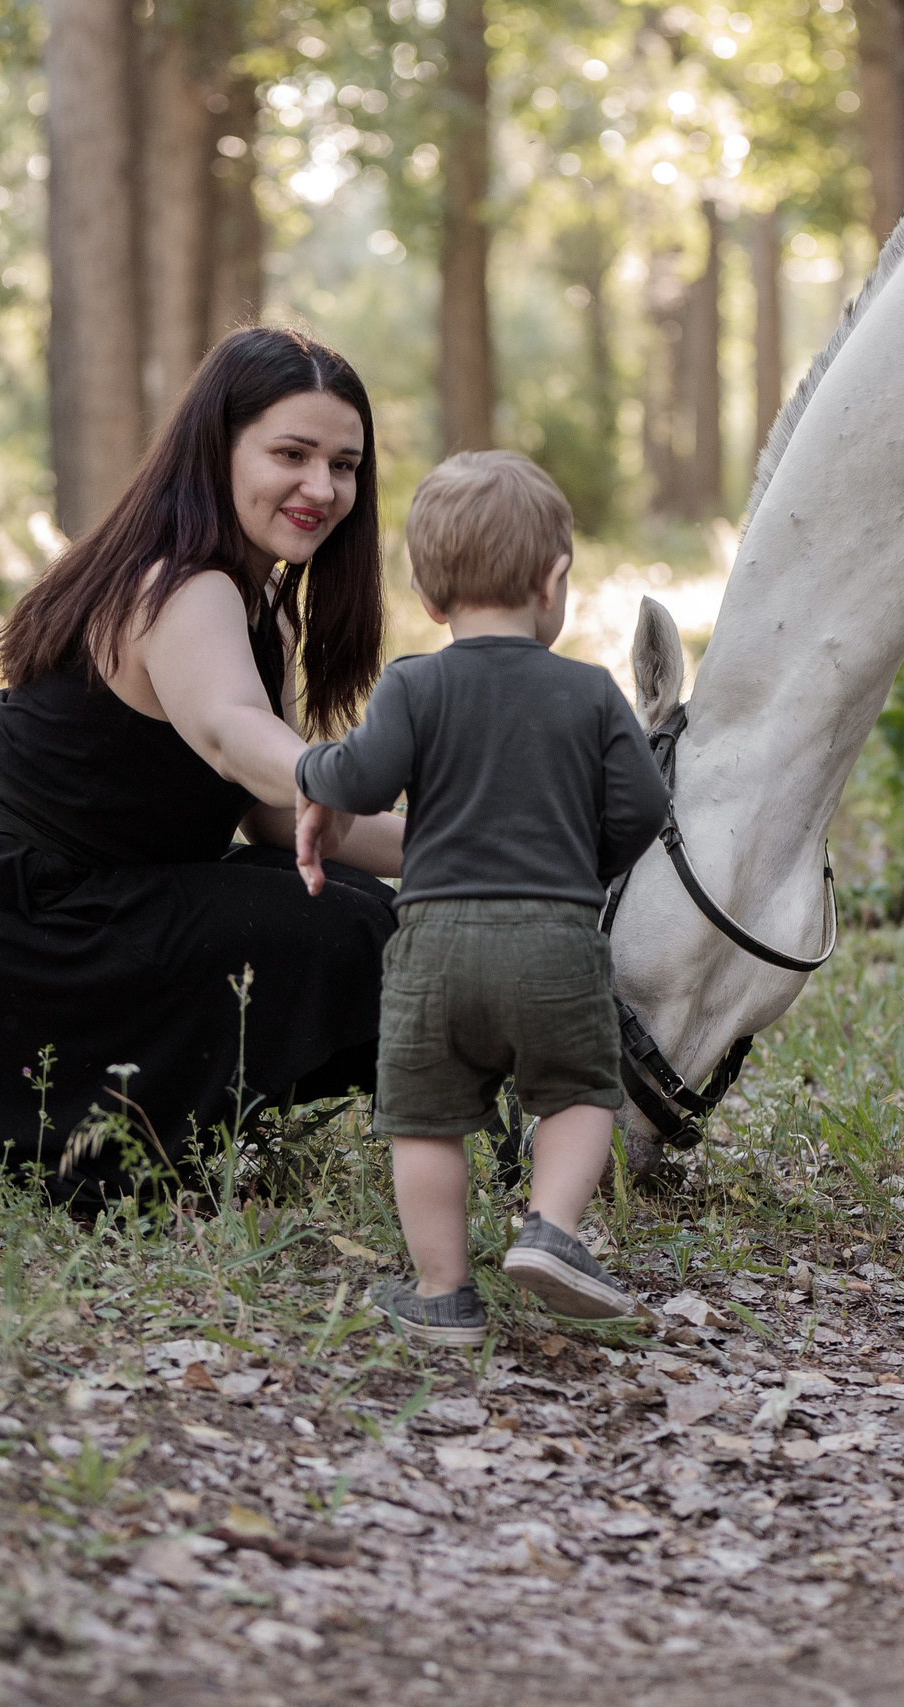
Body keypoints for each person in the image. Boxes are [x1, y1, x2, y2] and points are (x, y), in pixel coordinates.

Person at [0, 328, 405, 1200]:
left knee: (372, 905)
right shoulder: (182, 586)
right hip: (19, 924)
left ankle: (143, 1135)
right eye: (291, 454)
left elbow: (269, 815)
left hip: (65, 901)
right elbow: (229, 733)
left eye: (344, 464)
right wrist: (342, 773)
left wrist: (455, 847)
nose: (322, 488)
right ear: (217, 446)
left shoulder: (265, 615)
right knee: (355, 929)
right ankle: (84, 1143)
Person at [294, 451, 671, 1344]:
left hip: (434, 943)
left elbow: (359, 775)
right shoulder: (589, 692)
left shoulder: (414, 684)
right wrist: (584, 859)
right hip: (554, 938)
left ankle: (442, 1294)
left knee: (425, 1119)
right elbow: (647, 807)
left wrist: (311, 773)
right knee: (580, 1091)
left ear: (428, 599)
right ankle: (550, 1230)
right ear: (554, 582)